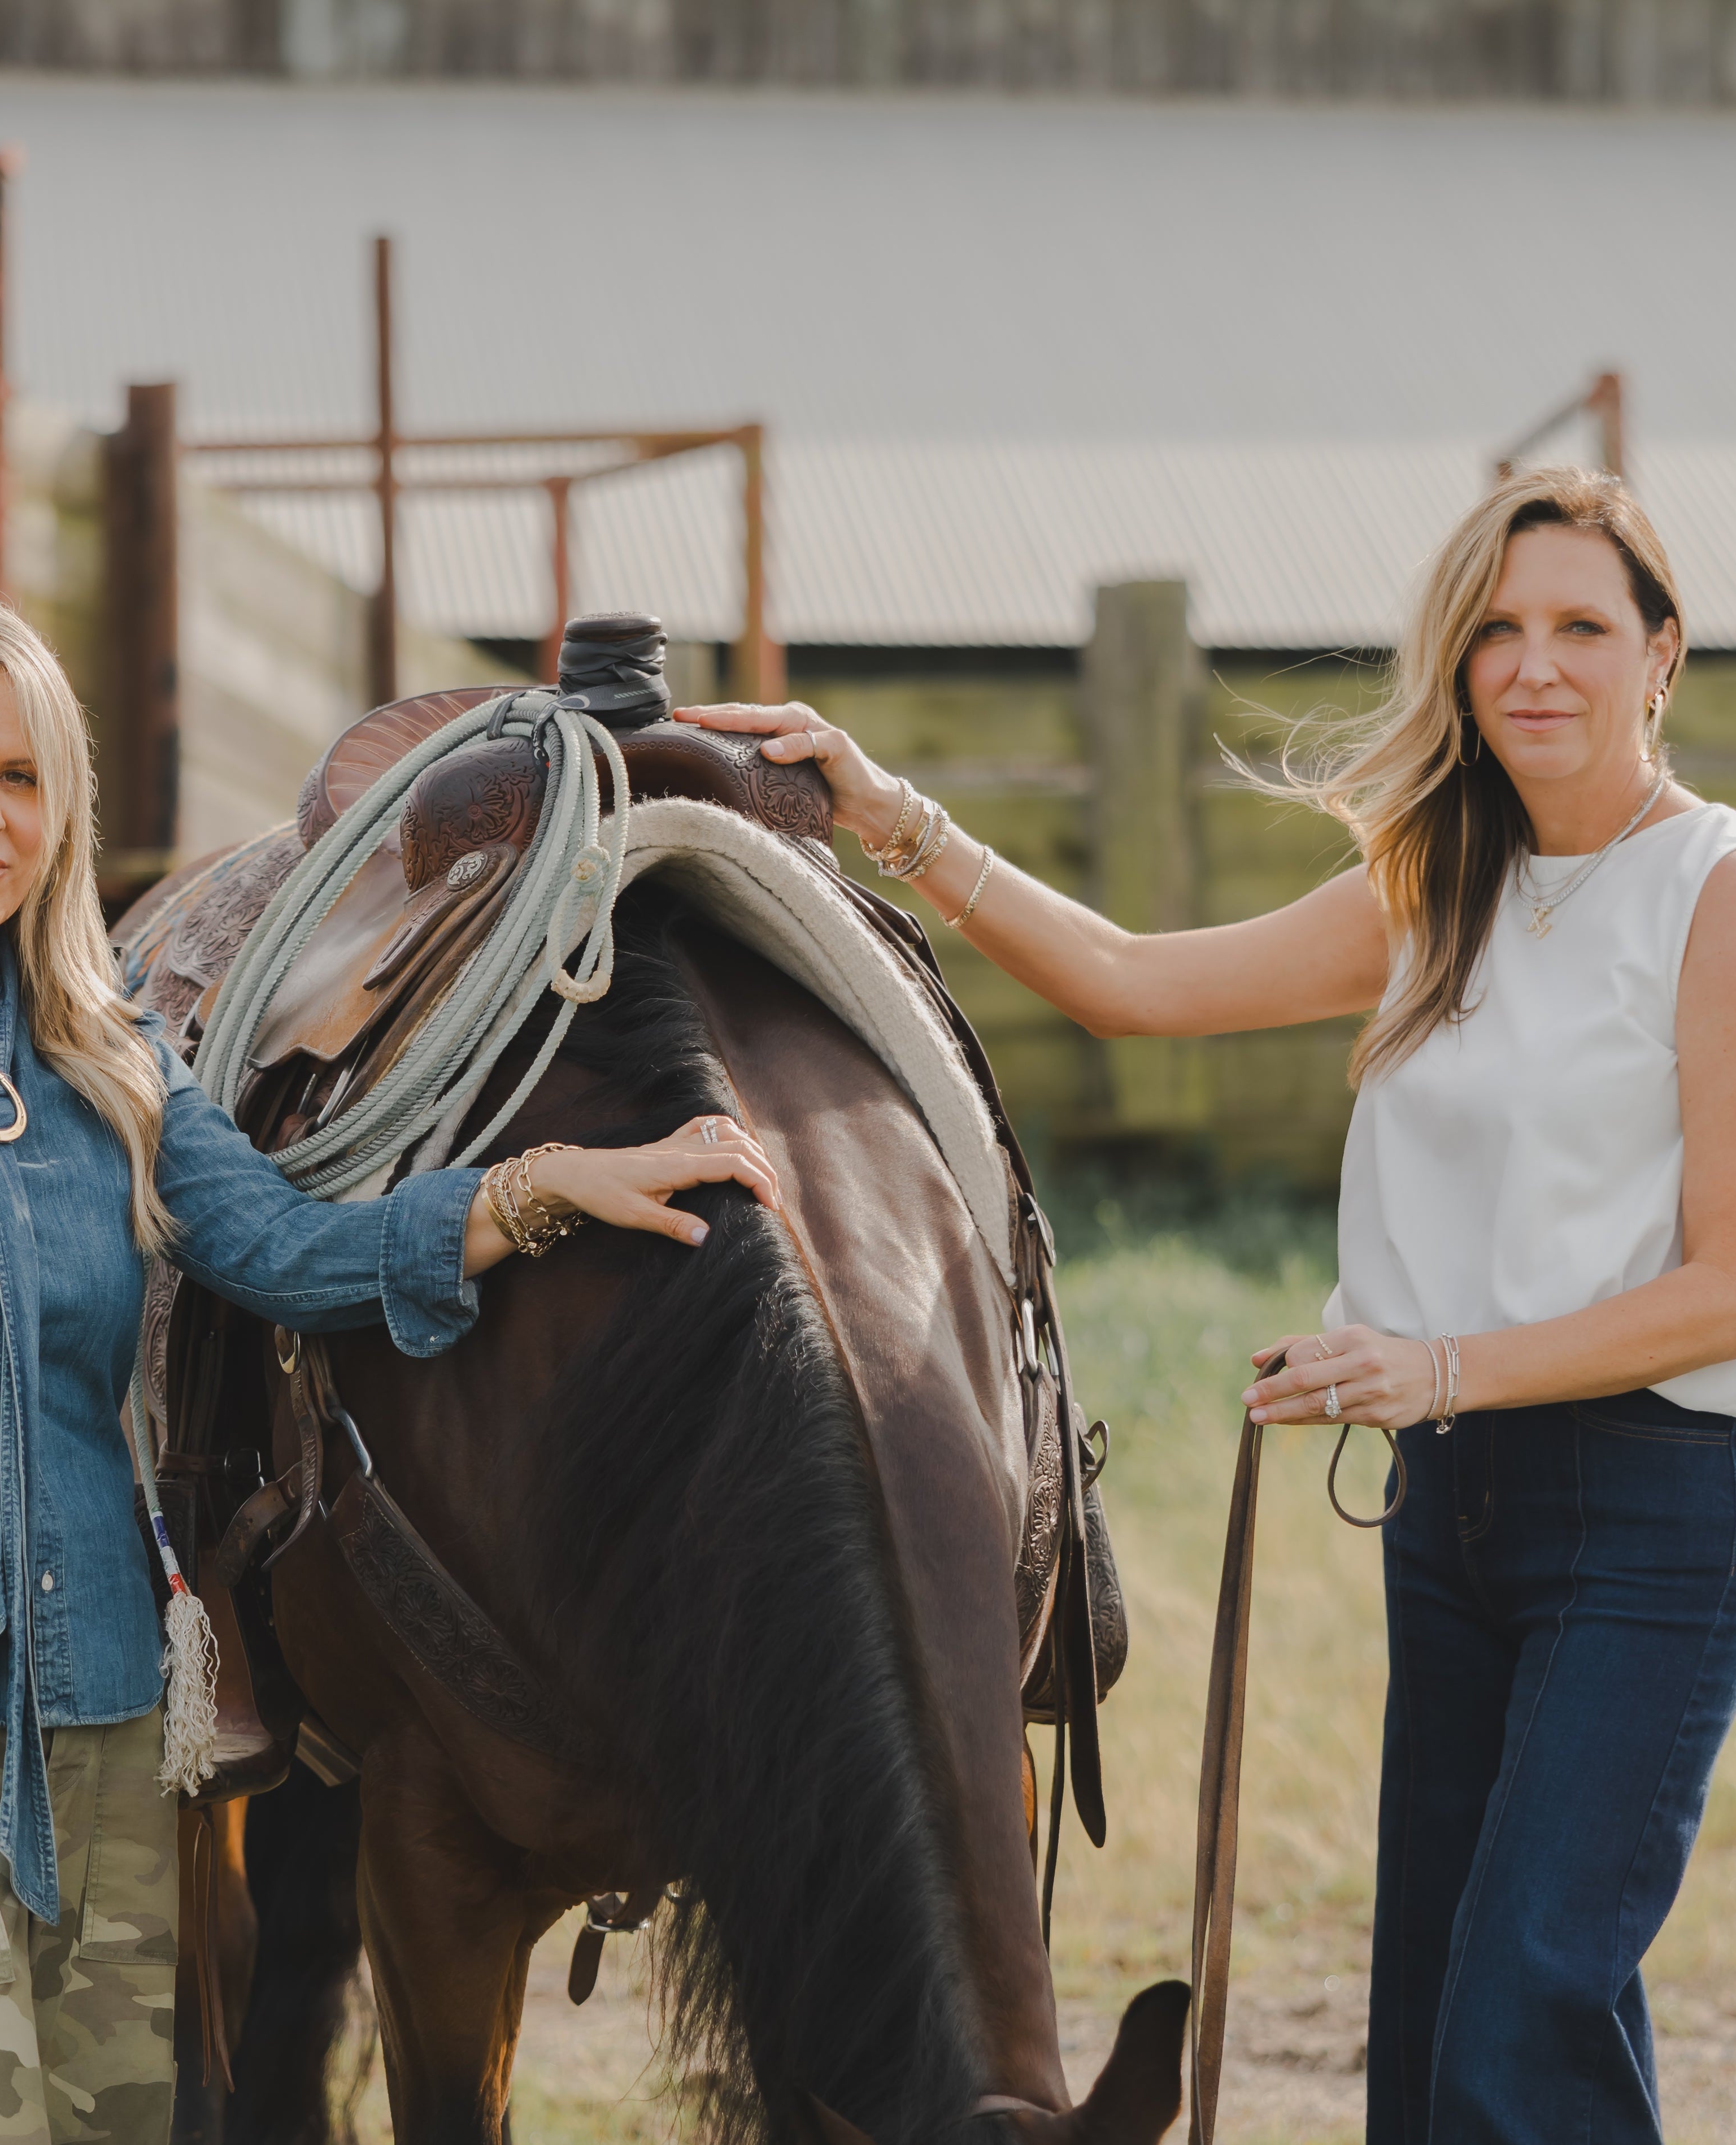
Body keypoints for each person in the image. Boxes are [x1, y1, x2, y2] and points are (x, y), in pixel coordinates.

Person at [0, 583, 777, 2145]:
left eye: (22, 780)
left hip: (98, 1744)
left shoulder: (110, 1053)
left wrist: (541, 1188)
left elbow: (290, 1254)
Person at [680, 467, 1736, 2145]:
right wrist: (890, 815)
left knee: (1521, 1996)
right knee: (1450, 2015)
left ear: (1662, 653)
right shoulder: (1431, 888)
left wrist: (1438, 1360)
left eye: (1580, 628)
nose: (1534, 666)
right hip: (1447, 1510)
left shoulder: (1711, 893)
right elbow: (1130, 983)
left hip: (1652, 1513)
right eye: (1495, 632)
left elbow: (1721, 1292)